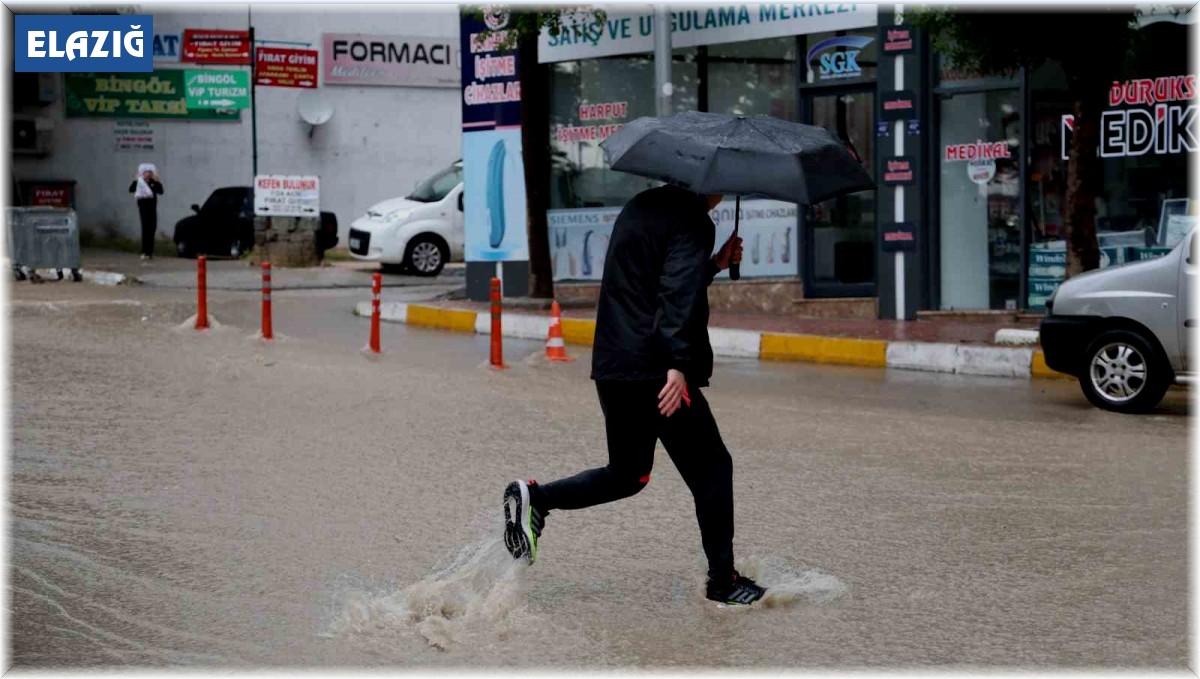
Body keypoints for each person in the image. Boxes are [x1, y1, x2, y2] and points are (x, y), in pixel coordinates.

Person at [502, 184, 767, 606]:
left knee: (628, 474)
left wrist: (713, 265)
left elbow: (652, 279)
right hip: (656, 371)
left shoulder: (642, 205)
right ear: (710, 183)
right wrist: (679, 364)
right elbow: (675, 294)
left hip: (614, 365)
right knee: (714, 470)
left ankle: (539, 498)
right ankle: (723, 582)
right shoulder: (693, 219)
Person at [128, 163, 163, 260]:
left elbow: (161, 191)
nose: (148, 174)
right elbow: (131, 189)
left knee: (152, 229)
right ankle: (144, 251)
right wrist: (135, 180)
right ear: (143, 173)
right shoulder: (140, 183)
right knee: (146, 228)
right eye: (146, 172)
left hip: (152, 208)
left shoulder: (153, 182)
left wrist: (157, 181)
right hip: (143, 209)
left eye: (150, 172)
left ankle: (150, 252)